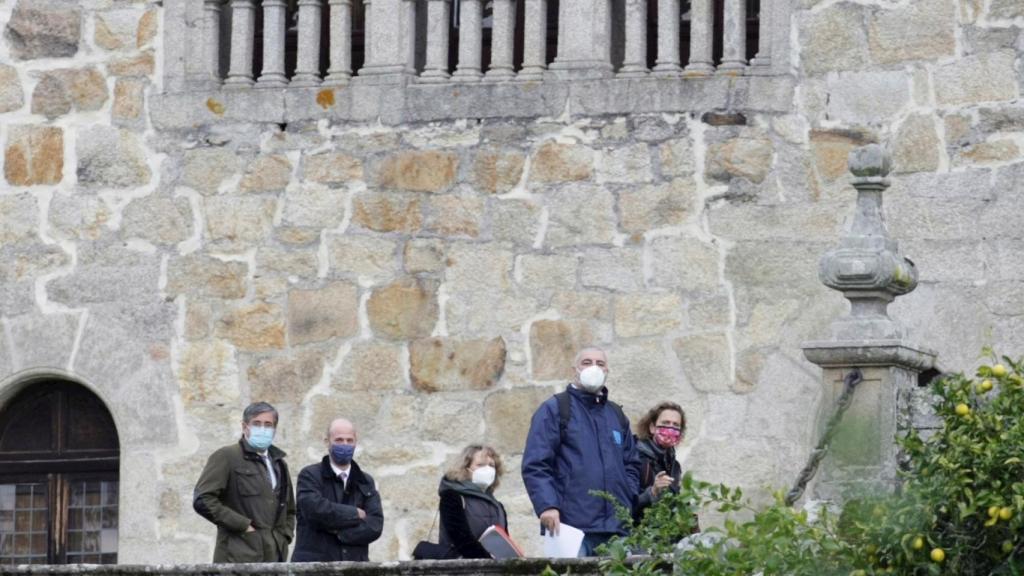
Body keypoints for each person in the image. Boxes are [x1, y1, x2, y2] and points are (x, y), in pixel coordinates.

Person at [521, 346, 641, 556]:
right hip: (571, 527)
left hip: (616, 529)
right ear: (574, 369)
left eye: (600, 363)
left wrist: (626, 498)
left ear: (607, 371)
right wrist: (547, 506)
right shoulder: (555, 409)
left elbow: (631, 463)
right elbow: (536, 464)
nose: (594, 367)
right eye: (587, 362)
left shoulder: (616, 415)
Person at [193, 402, 296, 562]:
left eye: (268, 425)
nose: (263, 429)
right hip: (237, 557)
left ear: (275, 429)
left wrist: (285, 536)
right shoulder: (227, 456)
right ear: (244, 426)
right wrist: (243, 526)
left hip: (275, 557)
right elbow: (203, 499)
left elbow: (289, 510)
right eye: (257, 423)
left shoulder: (279, 464)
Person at [291, 418, 383, 562]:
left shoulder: (365, 481)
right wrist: (355, 514)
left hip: (354, 566)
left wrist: (339, 533)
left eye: (349, 440)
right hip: (314, 567)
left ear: (355, 442)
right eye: (339, 440)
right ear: (327, 442)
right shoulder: (310, 475)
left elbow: (375, 525)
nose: (345, 444)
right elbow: (315, 511)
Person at [437, 444, 509, 559]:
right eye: (480, 465)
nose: (488, 469)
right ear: (465, 468)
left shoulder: (498, 506)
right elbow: (460, 538)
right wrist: (487, 560)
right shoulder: (452, 497)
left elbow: (504, 543)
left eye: (492, 465)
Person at [633, 401, 692, 527]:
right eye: (665, 423)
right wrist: (653, 492)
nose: (670, 429)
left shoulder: (674, 465)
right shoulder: (635, 457)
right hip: (638, 536)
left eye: (676, 425)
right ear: (652, 428)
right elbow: (624, 505)